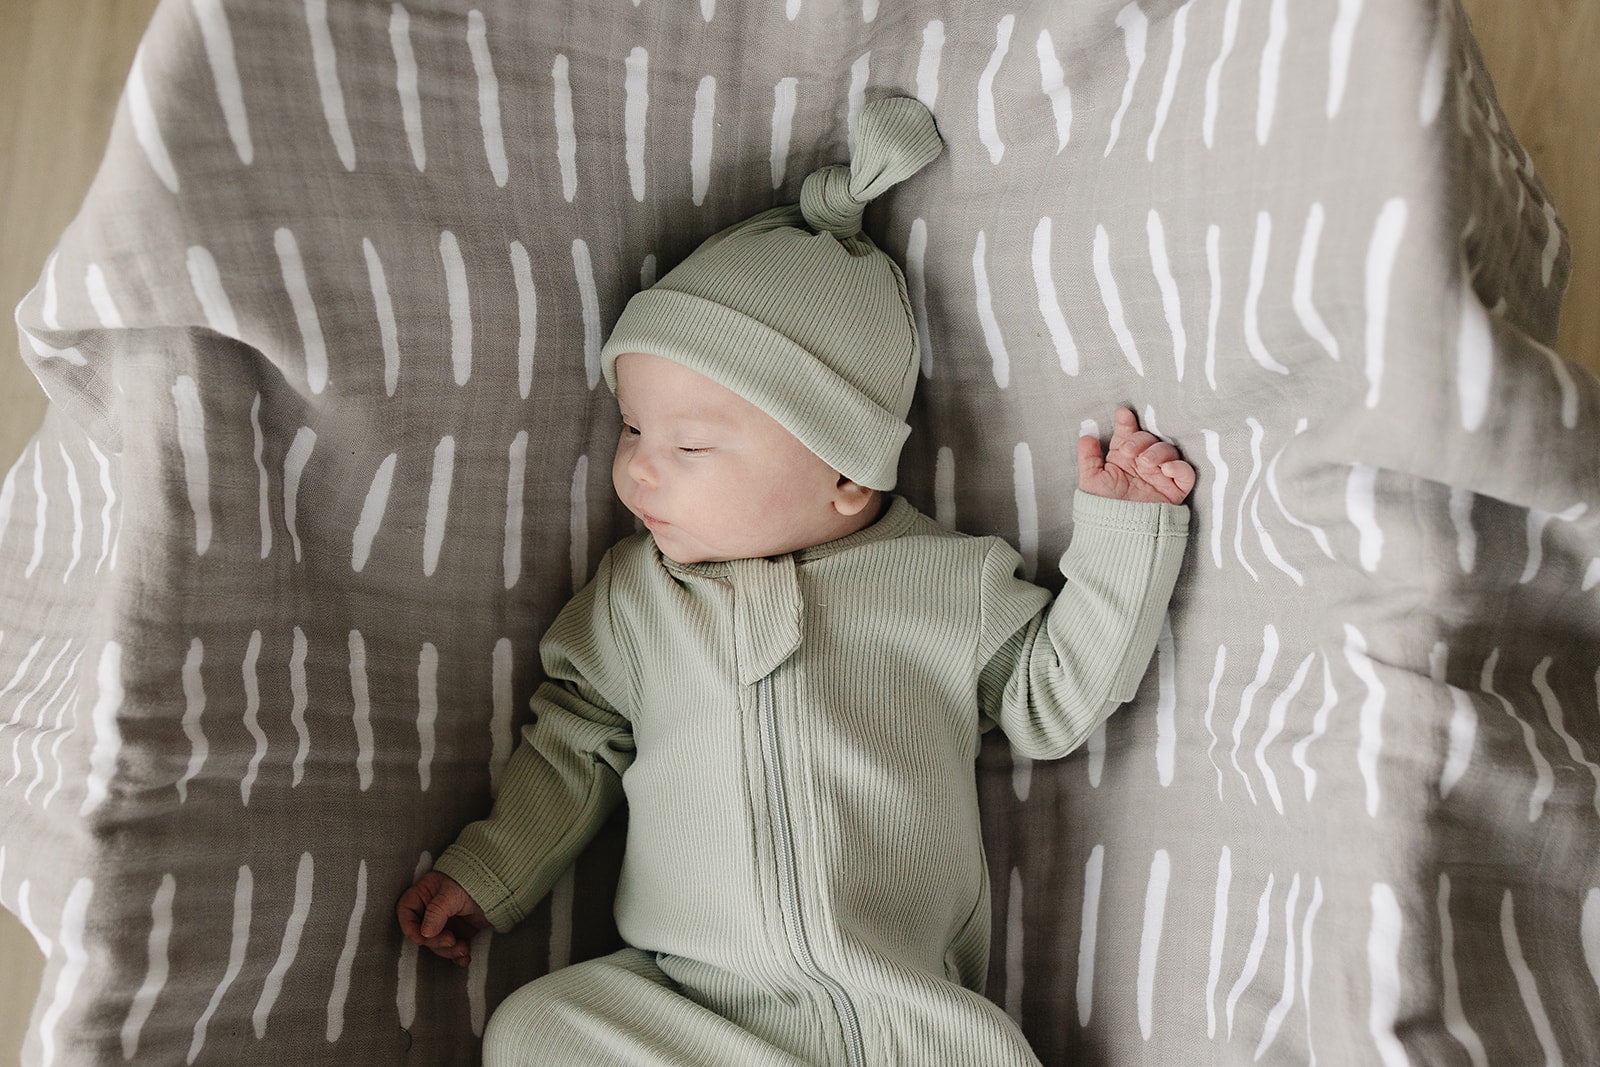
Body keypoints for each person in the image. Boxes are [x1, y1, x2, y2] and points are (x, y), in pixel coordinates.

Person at [397, 96, 1193, 1066]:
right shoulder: (635, 598)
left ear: (846, 472)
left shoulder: (945, 581)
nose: (638, 469)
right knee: (532, 1026)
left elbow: (1054, 696)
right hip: (689, 1008)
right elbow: (570, 743)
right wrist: (491, 868)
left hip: (908, 1017)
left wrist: (1125, 530)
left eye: (689, 445)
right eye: (634, 429)